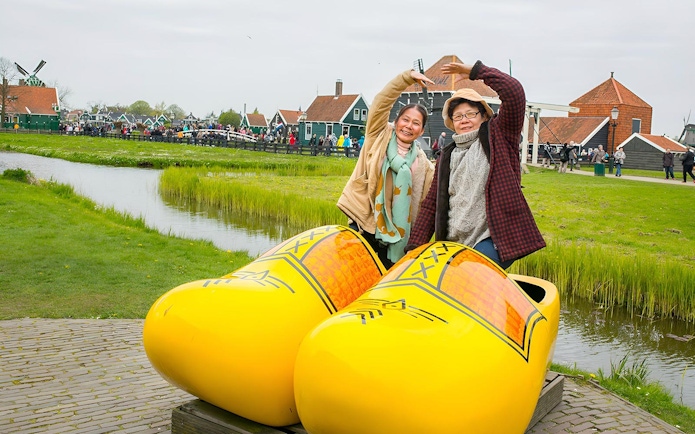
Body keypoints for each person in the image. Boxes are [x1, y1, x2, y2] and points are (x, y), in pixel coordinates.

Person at [406, 60, 545, 270]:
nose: (464, 120)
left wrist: (476, 72)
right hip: (454, 241)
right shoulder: (447, 154)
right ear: (452, 122)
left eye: (471, 114)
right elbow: (431, 204)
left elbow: (514, 93)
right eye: (458, 116)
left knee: (469, 274)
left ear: (484, 116)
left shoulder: (499, 135)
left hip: (492, 239)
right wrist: (414, 249)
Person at [337, 69, 436, 269]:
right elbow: (381, 102)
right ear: (396, 121)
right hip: (366, 224)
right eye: (405, 120)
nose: (409, 126)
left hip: (398, 237)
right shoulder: (378, 135)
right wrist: (405, 79)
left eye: (416, 123)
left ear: (422, 131)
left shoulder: (424, 164)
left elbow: (426, 203)